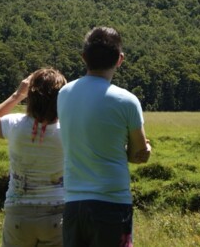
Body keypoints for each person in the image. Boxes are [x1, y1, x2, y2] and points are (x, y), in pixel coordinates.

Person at [57, 26, 151, 247]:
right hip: (112, 203)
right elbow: (139, 153)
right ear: (120, 59)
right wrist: (145, 150)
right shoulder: (127, 101)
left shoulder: (64, 94)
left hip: (73, 204)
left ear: (83, 58)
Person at [0, 67, 68, 247]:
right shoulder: (68, 131)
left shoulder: (14, 124)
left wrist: (17, 94)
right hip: (57, 212)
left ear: (30, 96)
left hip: (18, 211)